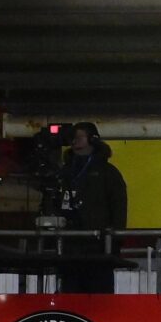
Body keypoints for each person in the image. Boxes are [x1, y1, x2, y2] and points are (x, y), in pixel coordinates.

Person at [56, 122, 129, 294]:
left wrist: (114, 241)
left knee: (99, 299)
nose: (74, 141)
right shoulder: (64, 172)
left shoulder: (108, 173)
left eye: (79, 136)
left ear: (92, 140)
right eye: (73, 137)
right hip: (69, 248)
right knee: (70, 298)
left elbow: (119, 206)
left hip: (99, 249)